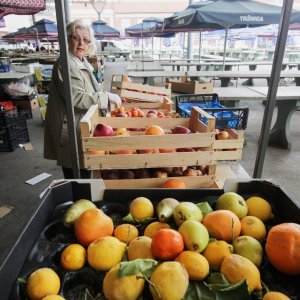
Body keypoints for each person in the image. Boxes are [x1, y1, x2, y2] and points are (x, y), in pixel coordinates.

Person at [44, 19, 121, 179]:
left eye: (85, 40)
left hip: (83, 126)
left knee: (85, 172)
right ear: (67, 39)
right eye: (76, 38)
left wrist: (104, 96)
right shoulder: (66, 64)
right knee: (77, 178)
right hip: (71, 129)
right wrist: (106, 97)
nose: (81, 43)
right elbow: (77, 98)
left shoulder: (81, 62)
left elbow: (89, 89)